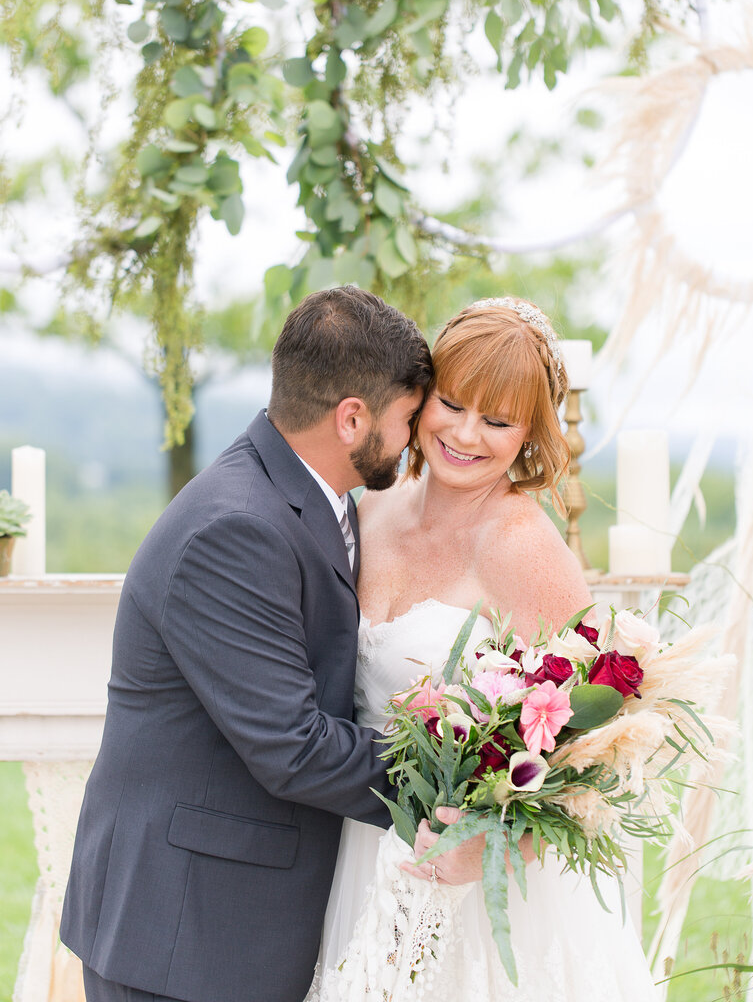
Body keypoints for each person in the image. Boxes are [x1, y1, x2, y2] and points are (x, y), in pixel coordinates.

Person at [60, 286, 434, 1002]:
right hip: (186, 934)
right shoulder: (236, 530)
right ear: (352, 418)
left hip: (227, 917)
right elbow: (290, 744)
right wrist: (461, 774)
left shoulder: (309, 496)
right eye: (408, 418)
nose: (413, 439)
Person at [308, 296, 659, 1001]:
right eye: (453, 404)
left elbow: (600, 745)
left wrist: (496, 847)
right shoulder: (370, 508)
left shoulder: (524, 547)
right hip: (359, 843)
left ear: (529, 432)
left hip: (482, 880)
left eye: (497, 422)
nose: (466, 434)